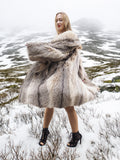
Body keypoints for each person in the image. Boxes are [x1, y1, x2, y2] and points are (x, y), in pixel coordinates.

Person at [19, 12, 99, 147]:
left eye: (61, 20)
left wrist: (35, 49)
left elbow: (58, 55)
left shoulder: (70, 37)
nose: (58, 22)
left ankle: (76, 134)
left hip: (66, 78)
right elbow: (52, 55)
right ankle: (45, 132)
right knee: (48, 104)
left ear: (66, 21)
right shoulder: (58, 39)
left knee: (69, 107)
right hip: (55, 77)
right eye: (56, 20)